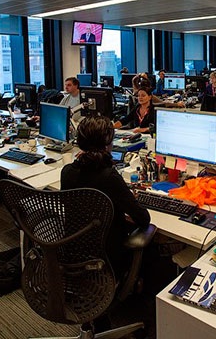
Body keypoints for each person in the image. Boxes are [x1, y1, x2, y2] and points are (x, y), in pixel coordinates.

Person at [61, 116, 150, 278]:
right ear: (108, 144)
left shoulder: (67, 172)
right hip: (107, 259)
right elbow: (143, 219)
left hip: (73, 253)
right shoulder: (109, 177)